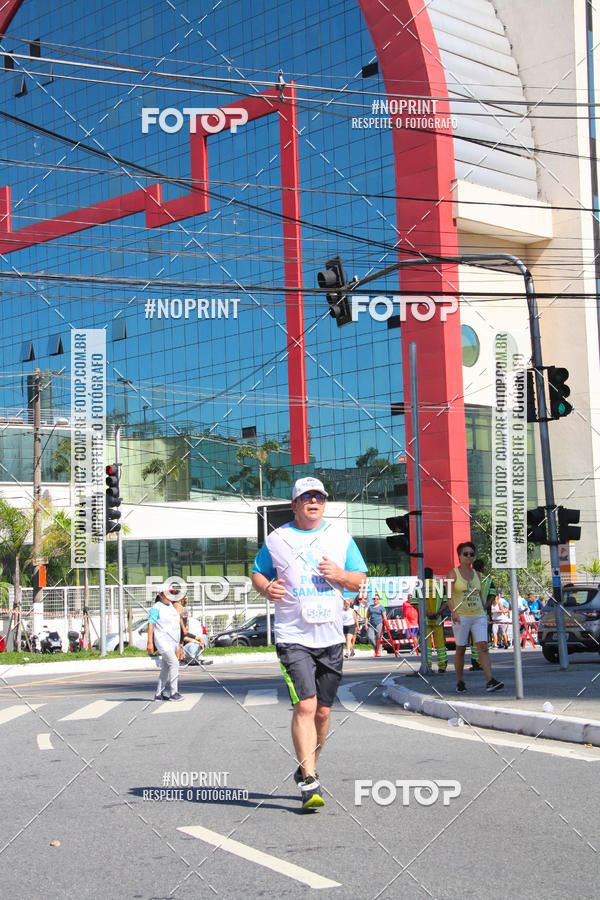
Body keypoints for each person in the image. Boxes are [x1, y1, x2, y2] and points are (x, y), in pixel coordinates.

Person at [251, 476, 368, 811]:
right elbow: (258, 572)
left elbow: (359, 578)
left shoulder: (340, 537)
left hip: (330, 637)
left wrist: (340, 575)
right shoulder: (278, 539)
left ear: (324, 503)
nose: (313, 501)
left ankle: (308, 767)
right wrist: (265, 588)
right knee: (305, 705)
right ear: (295, 505)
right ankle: (309, 779)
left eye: (319, 496)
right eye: (306, 497)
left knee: (324, 712)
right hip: (293, 636)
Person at [446, 542, 504, 694]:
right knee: (460, 649)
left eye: (471, 554)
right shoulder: (452, 574)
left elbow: (478, 594)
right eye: (465, 554)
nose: (469, 556)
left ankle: (490, 680)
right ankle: (460, 681)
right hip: (461, 616)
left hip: (478, 615)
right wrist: (453, 611)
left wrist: (484, 607)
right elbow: (449, 596)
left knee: (483, 647)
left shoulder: (478, 575)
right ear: (459, 556)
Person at [147, 587, 184, 701]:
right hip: (162, 641)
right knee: (174, 663)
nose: (170, 596)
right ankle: (174, 692)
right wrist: (150, 642)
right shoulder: (156, 607)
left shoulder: (171, 607)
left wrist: (179, 644)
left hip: (172, 642)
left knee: (165, 668)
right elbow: (151, 624)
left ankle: (159, 694)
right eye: (167, 593)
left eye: (171, 593)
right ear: (160, 594)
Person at [424, 567, 449, 673]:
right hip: (438, 620)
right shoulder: (440, 586)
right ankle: (442, 666)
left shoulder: (419, 587)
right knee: (440, 645)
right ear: (432, 575)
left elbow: (416, 604)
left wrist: (427, 613)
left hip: (425, 621)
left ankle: (427, 666)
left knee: (427, 646)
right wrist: (438, 613)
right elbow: (446, 602)